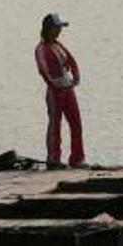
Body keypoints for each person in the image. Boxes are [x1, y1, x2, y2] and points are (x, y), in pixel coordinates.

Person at [34, 13, 85, 169]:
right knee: (55, 125)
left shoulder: (59, 45)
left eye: (60, 28)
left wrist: (76, 76)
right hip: (55, 91)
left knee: (76, 123)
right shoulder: (41, 48)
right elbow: (43, 69)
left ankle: (77, 158)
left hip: (68, 88)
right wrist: (54, 84)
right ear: (48, 28)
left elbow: (71, 60)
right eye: (56, 28)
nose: (59, 31)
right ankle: (53, 158)